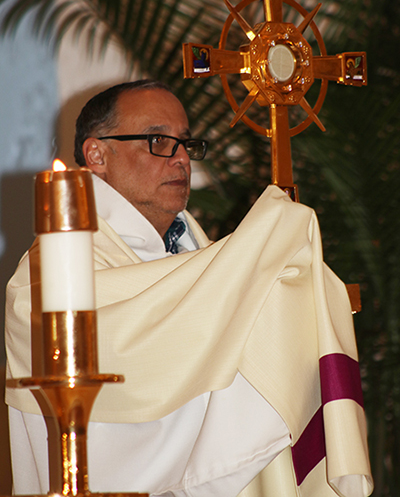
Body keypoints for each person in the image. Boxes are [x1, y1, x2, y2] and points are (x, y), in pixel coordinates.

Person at [5, 80, 373, 497]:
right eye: (158, 140)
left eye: (186, 143)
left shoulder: (202, 258)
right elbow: (121, 377)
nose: (181, 159)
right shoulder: (41, 281)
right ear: (97, 154)